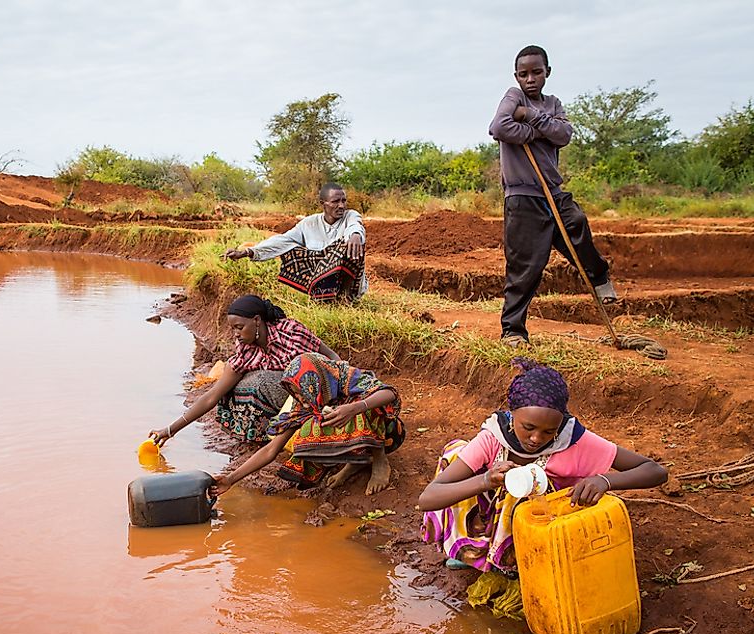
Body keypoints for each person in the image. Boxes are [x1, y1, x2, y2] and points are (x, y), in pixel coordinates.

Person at [418, 358, 667, 576]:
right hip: (497, 509)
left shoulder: (574, 441)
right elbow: (429, 498)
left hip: (550, 527)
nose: (537, 438)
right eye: (528, 427)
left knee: (521, 491)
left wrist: (605, 481)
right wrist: (485, 480)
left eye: (549, 431)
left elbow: (655, 471)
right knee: (456, 453)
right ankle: (473, 549)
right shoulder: (494, 437)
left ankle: (514, 565)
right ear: (512, 413)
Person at [489, 45, 618, 348]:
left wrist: (529, 117)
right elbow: (499, 127)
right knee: (526, 266)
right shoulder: (513, 96)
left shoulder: (552, 103)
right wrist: (537, 132)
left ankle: (599, 278)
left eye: (536, 72)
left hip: (553, 192)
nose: (530, 79)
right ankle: (513, 331)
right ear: (516, 76)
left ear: (548, 72)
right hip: (522, 197)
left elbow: (564, 134)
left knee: (579, 226)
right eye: (524, 74)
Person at [210, 352, 406, 498]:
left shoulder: (344, 376)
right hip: (354, 437)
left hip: (388, 434)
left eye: (302, 392)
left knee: (362, 404)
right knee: (308, 428)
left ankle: (379, 460)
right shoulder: (304, 403)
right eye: (295, 394)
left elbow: (389, 393)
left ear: (313, 381)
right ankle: (352, 463)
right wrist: (231, 479)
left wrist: (354, 408)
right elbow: (271, 449)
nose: (301, 400)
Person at [149, 295, 338, 446]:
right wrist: (170, 430)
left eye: (239, 327)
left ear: (257, 320)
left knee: (261, 380)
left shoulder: (290, 331)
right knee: (236, 387)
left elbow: (330, 356)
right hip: (295, 404)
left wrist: (343, 386)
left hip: (322, 393)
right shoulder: (246, 352)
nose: (236, 334)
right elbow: (211, 396)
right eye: (233, 329)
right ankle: (269, 434)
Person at [222, 183, 368, 301]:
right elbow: (283, 240)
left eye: (344, 201)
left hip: (347, 284)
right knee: (290, 247)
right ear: (323, 204)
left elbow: (356, 225)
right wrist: (247, 252)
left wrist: (355, 234)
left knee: (349, 245)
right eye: (335, 201)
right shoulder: (309, 223)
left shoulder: (350, 216)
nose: (341, 205)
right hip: (319, 279)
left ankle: (345, 299)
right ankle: (320, 295)